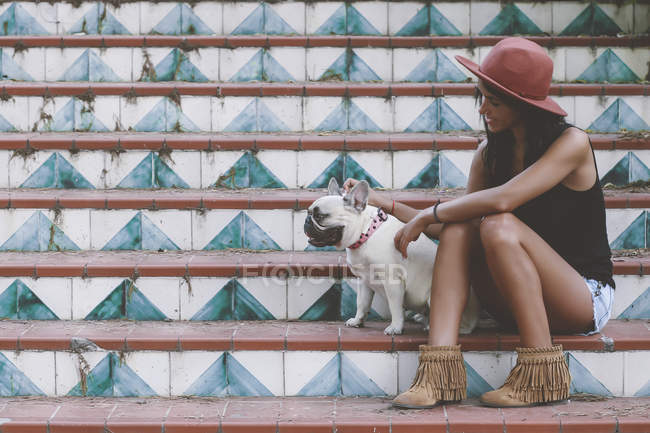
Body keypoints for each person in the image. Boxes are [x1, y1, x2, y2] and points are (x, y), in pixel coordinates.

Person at [343, 37, 614, 408]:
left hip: (581, 298)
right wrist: (388, 205)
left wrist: (430, 213)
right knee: (462, 225)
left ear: (525, 106)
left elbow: (504, 200)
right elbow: (452, 229)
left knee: (497, 224)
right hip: (512, 297)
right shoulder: (489, 154)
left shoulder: (572, 144)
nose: (483, 108)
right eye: (481, 96)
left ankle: (540, 374)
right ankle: (437, 375)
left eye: (495, 101)